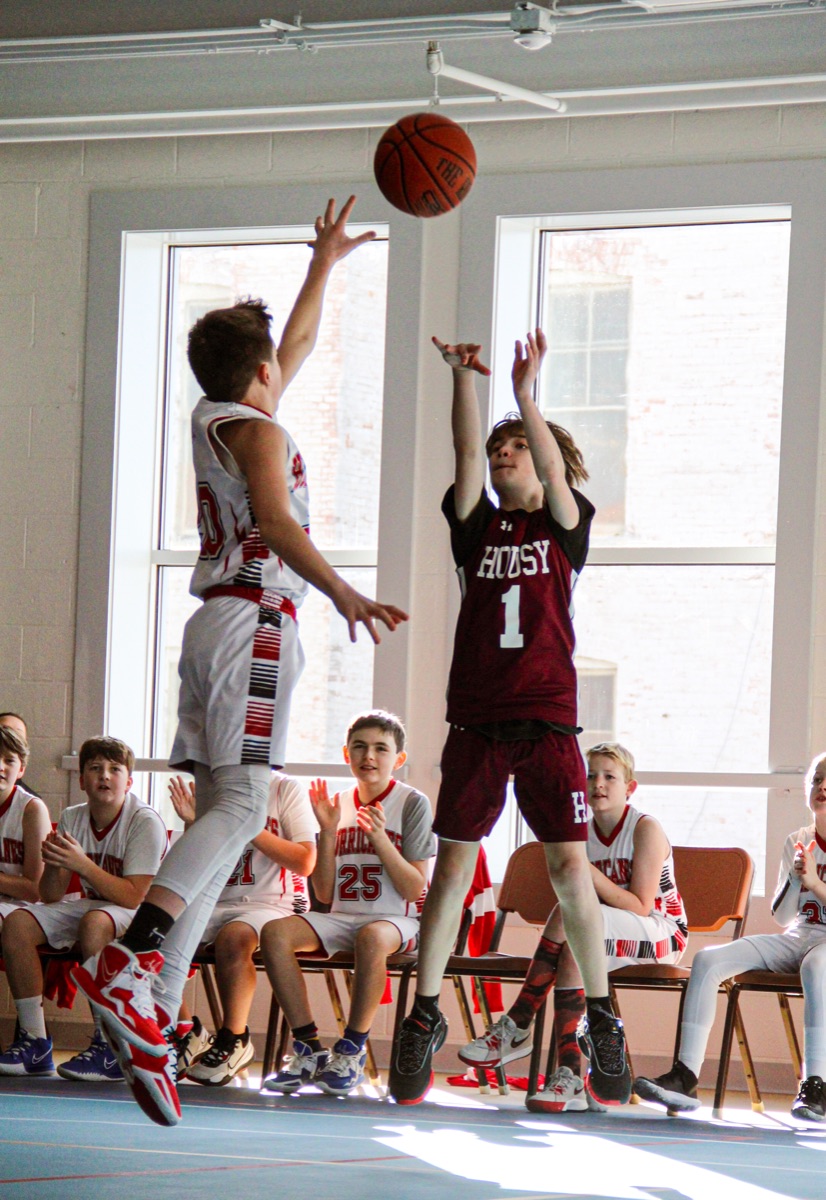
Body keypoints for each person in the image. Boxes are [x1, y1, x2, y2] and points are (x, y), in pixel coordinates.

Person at [73, 195, 407, 1127]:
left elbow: (286, 351)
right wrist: (342, 592)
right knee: (246, 807)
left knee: (227, 812)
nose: (288, 369)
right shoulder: (257, 431)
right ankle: (136, 961)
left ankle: (149, 995)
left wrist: (323, 266)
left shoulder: (219, 414)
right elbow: (275, 522)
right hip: (256, 623)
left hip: (219, 627)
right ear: (259, 374)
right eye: (278, 365)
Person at [389, 331, 631, 1108]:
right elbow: (463, 456)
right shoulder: (476, 528)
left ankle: (601, 1019)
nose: (501, 455)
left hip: (549, 726)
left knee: (568, 872)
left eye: (515, 447)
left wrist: (526, 393)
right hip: (479, 725)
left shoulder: (566, 524)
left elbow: (554, 471)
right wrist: (465, 380)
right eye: (500, 448)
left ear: (542, 455)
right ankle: (423, 1015)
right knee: (452, 872)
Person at [460, 742, 687, 1112]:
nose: (598, 783)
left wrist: (584, 868)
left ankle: (518, 1022)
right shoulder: (579, 829)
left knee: (571, 915)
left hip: (660, 932)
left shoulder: (645, 828)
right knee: (573, 947)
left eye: (609, 776)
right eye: (590, 775)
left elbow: (641, 906)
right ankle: (569, 1076)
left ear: (629, 787)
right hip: (604, 930)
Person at [634, 750, 826, 1123]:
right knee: (708, 960)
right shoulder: (799, 840)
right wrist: (794, 878)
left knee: (817, 967)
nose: (823, 786)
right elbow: (783, 915)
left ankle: (815, 1084)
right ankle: (684, 1077)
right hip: (798, 934)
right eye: (817, 779)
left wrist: (816, 883)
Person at [261, 710, 434, 1097]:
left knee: (371, 938)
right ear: (346, 753)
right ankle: (308, 1046)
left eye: (380, 748)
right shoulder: (335, 804)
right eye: (360, 746)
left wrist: (381, 840)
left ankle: (352, 1049)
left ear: (398, 759)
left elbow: (413, 888)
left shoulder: (412, 803)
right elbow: (323, 894)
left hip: (396, 920)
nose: (368, 756)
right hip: (342, 916)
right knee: (274, 933)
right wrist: (325, 831)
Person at [0, 737, 166, 1080]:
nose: (104, 775)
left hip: (142, 911)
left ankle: (109, 1043)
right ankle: (35, 1040)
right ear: (81, 780)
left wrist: (83, 865)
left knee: (94, 923)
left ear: (129, 781)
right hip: (98, 903)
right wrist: (57, 865)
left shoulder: (144, 820)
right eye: (95, 768)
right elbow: (49, 895)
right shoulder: (73, 816)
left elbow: (134, 896)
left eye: (114, 769)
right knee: (17, 923)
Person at [167, 771, 316, 1086]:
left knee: (234, 937)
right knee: (162, 929)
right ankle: (185, 1030)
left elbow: (305, 861)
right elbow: (197, 866)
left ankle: (234, 1038)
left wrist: (252, 828)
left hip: (275, 902)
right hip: (218, 900)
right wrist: (192, 825)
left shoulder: (285, 789)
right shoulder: (214, 791)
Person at [0, 723, 51, 926]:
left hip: (23, 907)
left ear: (21, 770)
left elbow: (35, 889)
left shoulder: (31, 810)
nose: (0, 766)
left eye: (9, 760)